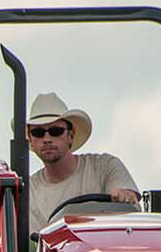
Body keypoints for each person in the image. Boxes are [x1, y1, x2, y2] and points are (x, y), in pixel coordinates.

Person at [25, 92, 139, 234]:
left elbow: (130, 205)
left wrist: (124, 195)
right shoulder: (27, 192)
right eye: (38, 132)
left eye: (56, 131)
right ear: (29, 139)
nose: (47, 138)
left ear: (71, 135)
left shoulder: (105, 166)